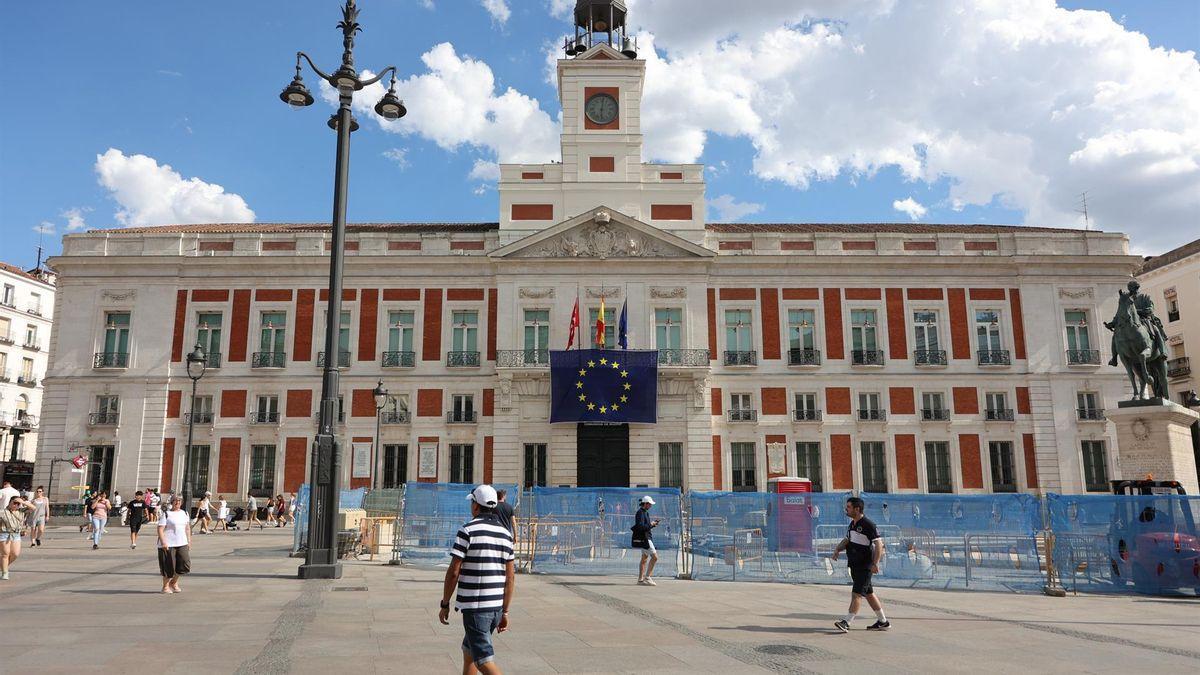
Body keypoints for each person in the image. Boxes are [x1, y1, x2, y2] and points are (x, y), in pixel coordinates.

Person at [439, 485, 515, 675]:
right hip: (495, 607)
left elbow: (454, 571)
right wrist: (505, 611)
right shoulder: (506, 535)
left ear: (475, 506)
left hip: (476, 608)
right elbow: (511, 578)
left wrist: (445, 603)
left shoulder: (468, 531)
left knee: (483, 661)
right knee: (469, 653)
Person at [832, 497, 890, 632]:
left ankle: (847, 622)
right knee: (869, 593)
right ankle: (883, 621)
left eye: (849, 507)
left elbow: (879, 544)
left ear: (857, 509)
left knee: (857, 594)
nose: (846, 509)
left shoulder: (868, 524)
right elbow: (847, 539)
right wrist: (837, 549)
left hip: (865, 566)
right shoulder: (852, 524)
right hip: (854, 564)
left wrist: (875, 563)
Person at [157, 495, 192, 594]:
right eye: (175, 501)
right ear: (172, 502)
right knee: (169, 566)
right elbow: (160, 529)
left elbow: (187, 528)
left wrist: (189, 541)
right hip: (168, 543)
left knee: (184, 564)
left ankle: (174, 582)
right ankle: (165, 587)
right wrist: (163, 542)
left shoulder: (185, 513)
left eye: (179, 501)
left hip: (182, 542)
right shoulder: (167, 514)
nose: (177, 502)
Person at [0, 494, 35, 580]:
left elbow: (33, 508)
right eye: (14, 503)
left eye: (18, 504)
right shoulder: (2, 512)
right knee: (5, 554)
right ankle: (5, 572)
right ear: (10, 502)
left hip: (16, 535)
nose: (16, 505)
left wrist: (22, 502)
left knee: (15, 554)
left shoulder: (22, 511)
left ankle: (2, 566)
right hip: (5, 534)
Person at [634, 495, 660, 586]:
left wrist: (652, 524)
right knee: (655, 557)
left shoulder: (644, 512)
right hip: (645, 538)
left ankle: (640, 580)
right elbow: (640, 527)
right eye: (649, 504)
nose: (651, 506)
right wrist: (651, 524)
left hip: (646, 537)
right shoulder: (640, 513)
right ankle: (647, 577)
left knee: (644, 559)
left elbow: (645, 526)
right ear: (645, 504)